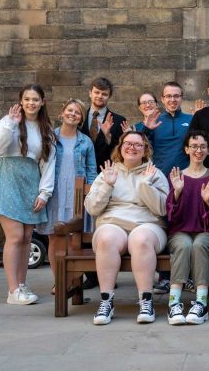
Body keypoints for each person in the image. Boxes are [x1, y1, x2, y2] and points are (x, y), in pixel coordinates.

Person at [85, 131, 169, 325]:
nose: (132, 147)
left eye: (138, 145)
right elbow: (92, 208)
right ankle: (106, 301)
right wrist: (107, 185)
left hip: (148, 224)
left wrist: (145, 185)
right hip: (113, 223)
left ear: (145, 150)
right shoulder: (109, 171)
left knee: (140, 240)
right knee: (106, 238)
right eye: (128, 143)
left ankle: (146, 301)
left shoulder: (153, 173)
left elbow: (163, 209)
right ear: (120, 147)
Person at [0, 84, 56, 305]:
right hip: (8, 177)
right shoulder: (9, 121)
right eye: (27, 99)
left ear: (42, 102)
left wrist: (44, 193)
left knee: (26, 237)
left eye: (35, 99)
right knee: (15, 236)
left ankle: (22, 284)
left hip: (31, 181)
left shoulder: (46, 129)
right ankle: (13, 290)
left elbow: (48, 163)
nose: (31, 103)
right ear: (21, 101)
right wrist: (11, 125)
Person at [36, 99, 97, 294]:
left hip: (76, 195)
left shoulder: (85, 141)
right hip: (54, 193)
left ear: (81, 118)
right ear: (62, 112)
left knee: (74, 240)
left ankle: (72, 281)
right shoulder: (49, 137)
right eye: (70, 110)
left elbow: (91, 170)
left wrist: (92, 195)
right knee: (55, 238)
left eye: (77, 112)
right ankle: (59, 280)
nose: (73, 114)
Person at [166, 131, 209, 325]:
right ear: (186, 149)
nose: (198, 150)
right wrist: (177, 193)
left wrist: (208, 202)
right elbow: (171, 216)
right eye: (194, 146)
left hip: (207, 232)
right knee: (183, 245)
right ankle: (174, 304)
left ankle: (201, 303)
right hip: (180, 231)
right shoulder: (177, 177)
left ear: (208, 150)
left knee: (199, 245)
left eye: (202, 147)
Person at [80, 77, 126, 290]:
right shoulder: (78, 116)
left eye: (104, 94)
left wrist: (106, 138)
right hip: (80, 177)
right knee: (83, 226)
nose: (100, 96)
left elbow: (119, 154)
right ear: (90, 93)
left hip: (105, 178)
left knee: (104, 225)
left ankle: (108, 273)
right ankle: (90, 275)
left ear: (109, 96)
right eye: (97, 92)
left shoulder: (118, 120)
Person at [135, 83, 192, 176]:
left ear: (181, 98)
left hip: (186, 175)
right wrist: (147, 129)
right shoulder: (154, 121)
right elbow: (142, 148)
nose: (172, 100)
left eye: (176, 96)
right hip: (160, 176)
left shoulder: (191, 119)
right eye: (168, 96)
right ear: (162, 99)